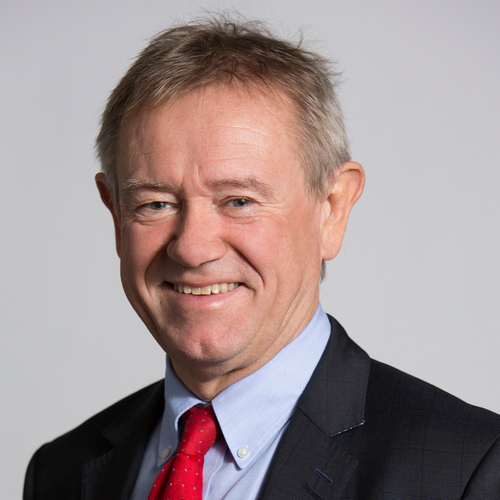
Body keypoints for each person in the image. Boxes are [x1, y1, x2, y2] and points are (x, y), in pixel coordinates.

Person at [24, 16, 500, 500]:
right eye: (156, 204)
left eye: (239, 201)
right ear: (116, 215)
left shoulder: (467, 470)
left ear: (332, 209)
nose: (192, 247)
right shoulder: (59, 473)